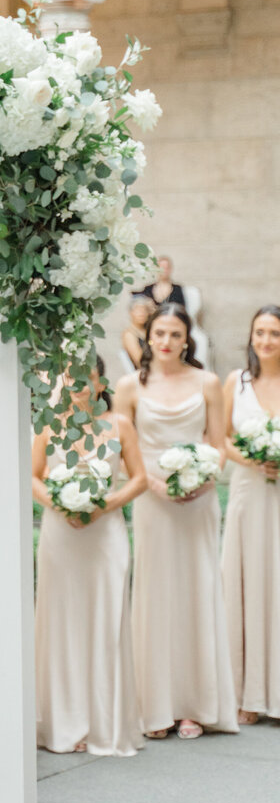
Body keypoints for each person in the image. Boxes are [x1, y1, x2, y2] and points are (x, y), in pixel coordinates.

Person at [113, 306, 237, 740]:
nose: (165, 341)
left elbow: (218, 443)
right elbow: (124, 454)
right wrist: (155, 485)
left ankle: (195, 706)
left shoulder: (207, 383)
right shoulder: (129, 387)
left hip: (199, 502)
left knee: (197, 592)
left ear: (188, 340)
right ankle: (156, 707)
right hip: (152, 502)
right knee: (156, 596)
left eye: (175, 334)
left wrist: (204, 478)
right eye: (158, 333)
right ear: (147, 337)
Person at [33, 363, 147, 756]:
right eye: (70, 378)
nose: (78, 386)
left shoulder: (119, 425)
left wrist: (103, 504)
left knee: (106, 620)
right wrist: (60, 504)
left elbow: (139, 478)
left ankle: (105, 723)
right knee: (62, 622)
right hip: (60, 535)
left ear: (100, 383)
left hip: (106, 533)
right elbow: (32, 476)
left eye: (86, 378)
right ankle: (64, 722)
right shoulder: (47, 426)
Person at [222, 306, 280, 724]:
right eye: (259, 332)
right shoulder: (236, 382)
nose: (265, 340)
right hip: (247, 490)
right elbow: (221, 436)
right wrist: (252, 458)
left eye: (274, 333)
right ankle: (248, 693)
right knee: (246, 586)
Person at [119, 292, 154, 376]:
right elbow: (140, 362)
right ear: (131, 312)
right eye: (138, 310)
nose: (141, 313)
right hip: (144, 374)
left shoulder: (149, 330)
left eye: (144, 310)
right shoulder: (129, 334)